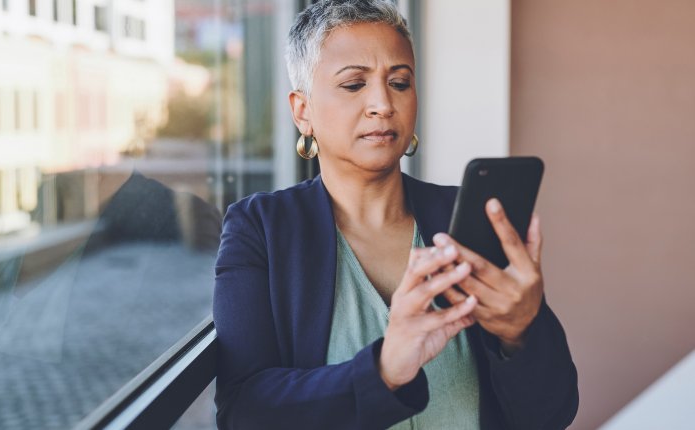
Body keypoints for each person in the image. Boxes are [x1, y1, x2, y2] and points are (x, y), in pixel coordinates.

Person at [213, 1, 578, 429]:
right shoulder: (261, 229)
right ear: (302, 111)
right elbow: (243, 411)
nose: (383, 104)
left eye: (400, 82)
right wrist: (384, 370)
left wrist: (521, 333)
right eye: (353, 85)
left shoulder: (465, 218)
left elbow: (553, 414)